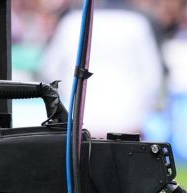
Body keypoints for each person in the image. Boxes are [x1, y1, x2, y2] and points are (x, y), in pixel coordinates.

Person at [40, 1, 162, 137]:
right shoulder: (137, 24)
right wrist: (139, 108)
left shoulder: (71, 23)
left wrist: (70, 98)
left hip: (82, 121)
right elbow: (153, 76)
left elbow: (50, 70)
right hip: (128, 121)